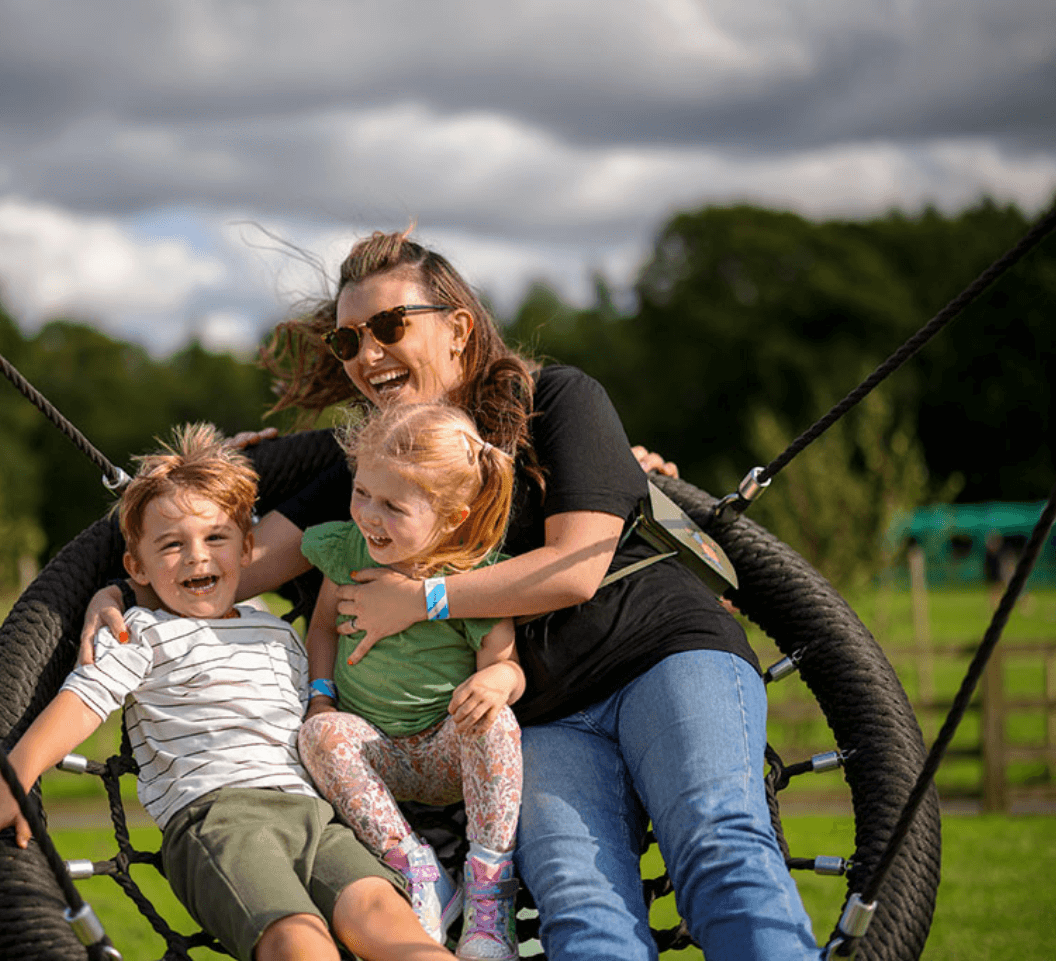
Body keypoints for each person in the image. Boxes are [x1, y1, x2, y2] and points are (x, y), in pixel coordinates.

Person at [85, 229, 819, 960]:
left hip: (661, 651)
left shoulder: (556, 400)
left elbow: (576, 567)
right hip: (544, 717)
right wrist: (124, 586)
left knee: (716, 841)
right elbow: (229, 568)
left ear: (458, 327)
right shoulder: (369, 472)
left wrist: (424, 598)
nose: (367, 354)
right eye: (347, 342)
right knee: (580, 896)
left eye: (388, 327)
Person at [0, 423, 458, 961]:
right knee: (299, 943)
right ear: (137, 567)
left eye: (216, 538)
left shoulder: (277, 631)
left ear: (247, 550)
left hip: (314, 812)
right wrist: (16, 775)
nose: (198, 557)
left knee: (393, 924)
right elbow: (86, 699)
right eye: (172, 545)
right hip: (218, 817)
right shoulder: (143, 630)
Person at [298, 402, 524, 960]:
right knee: (318, 736)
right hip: (375, 757)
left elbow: (507, 664)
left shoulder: (474, 576)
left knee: (497, 722)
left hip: (448, 753)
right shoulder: (346, 552)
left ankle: (489, 901)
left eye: (394, 506)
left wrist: (497, 684)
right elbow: (322, 629)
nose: (369, 516)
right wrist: (321, 696)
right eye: (362, 493)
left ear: (449, 516)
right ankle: (416, 868)